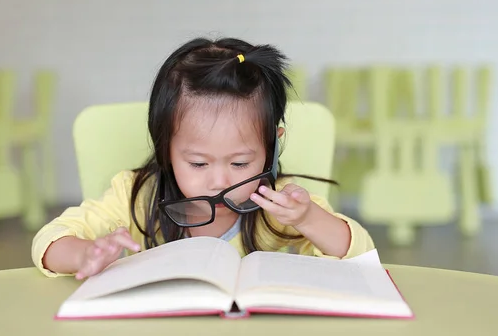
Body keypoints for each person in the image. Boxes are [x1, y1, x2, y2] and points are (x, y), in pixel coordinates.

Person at [31, 37, 375, 279]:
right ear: (165, 147)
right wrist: (82, 254)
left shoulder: (282, 204)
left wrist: (308, 218)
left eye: (240, 163)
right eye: (198, 163)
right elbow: (50, 239)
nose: (219, 181)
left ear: (272, 146)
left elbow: (361, 258)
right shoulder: (136, 196)